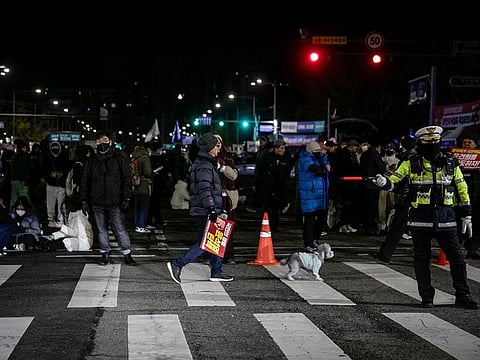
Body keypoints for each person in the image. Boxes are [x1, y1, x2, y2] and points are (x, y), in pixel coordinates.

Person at [374, 125, 478, 309]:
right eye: (428, 142)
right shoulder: (411, 162)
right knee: (421, 259)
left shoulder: (450, 162)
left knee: (457, 259)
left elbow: (462, 188)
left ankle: (463, 295)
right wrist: (385, 183)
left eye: (435, 141)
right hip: (420, 219)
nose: (432, 145)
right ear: (421, 143)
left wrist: (467, 215)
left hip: (446, 219)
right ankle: (427, 297)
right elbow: (396, 181)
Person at [167, 132, 233, 283]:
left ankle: (216, 272)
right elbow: (204, 189)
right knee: (206, 242)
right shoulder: (204, 165)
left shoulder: (206, 163)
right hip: (204, 210)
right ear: (210, 147)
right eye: (217, 146)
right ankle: (177, 264)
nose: (219, 149)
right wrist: (211, 209)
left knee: (214, 239)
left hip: (206, 208)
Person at [80, 131, 137, 266]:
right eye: (99, 142)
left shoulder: (119, 160)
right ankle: (104, 254)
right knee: (102, 230)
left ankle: (127, 253)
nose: (102, 144)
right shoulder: (92, 161)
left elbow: (126, 180)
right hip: (97, 202)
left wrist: (127, 198)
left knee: (120, 228)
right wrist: (83, 199)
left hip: (115, 201)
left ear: (110, 142)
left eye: (104, 141)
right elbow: (85, 181)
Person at [371, 135, 417, 264]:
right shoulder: (420, 159)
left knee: (397, 228)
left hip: (406, 198)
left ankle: (385, 254)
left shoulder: (407, 160)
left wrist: (386, 182)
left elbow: (397, 178)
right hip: (419, 199)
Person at [297, 141, 331, 250]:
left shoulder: (318, 158)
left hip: (320, 195)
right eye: (315, 151)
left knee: (322, 218)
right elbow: (318, 171)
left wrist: (324, 158)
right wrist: (325, 168)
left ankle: (315, 239)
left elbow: (327, 166)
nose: (318, 153)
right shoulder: (305, 159)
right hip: (310, 194)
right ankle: (308, 243)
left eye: (319, 151)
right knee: (310, 220)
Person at [214, 134, 239, 265]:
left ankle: (229, 255)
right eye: (214, 141)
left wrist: (223, 168)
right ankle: (212, 255)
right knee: (213, 226)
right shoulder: (206, 157)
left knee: (228, 226)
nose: (217, 144)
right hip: (213, 196)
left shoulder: (227, 157)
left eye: (219, 141)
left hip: (226, 197)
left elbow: (234, 175)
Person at [457, 134, 480, 259]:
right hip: (463, 197)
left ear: (475, 144)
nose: (466, 144)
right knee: (460, 224)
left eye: (469, 141)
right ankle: (456, 250)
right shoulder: (456, 157)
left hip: (477, 197)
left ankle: (473, 249)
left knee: (476, 224)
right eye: (464, 142)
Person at [131, 145, 153, 233]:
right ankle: (141, 225)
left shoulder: (134, 158)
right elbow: (148, 172)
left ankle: (137, 224)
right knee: (144, 206)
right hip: (143, 183)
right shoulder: (145, 158)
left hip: (135, 183)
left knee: (137, 206)